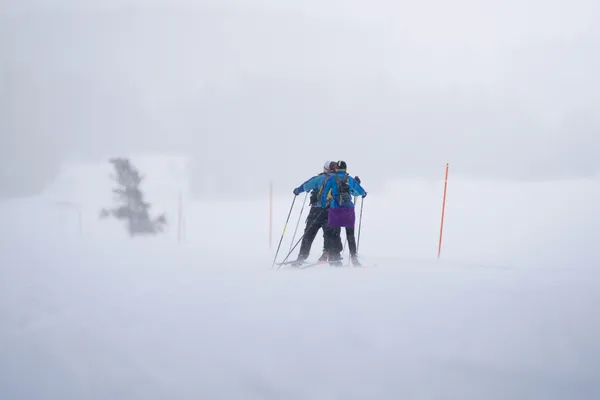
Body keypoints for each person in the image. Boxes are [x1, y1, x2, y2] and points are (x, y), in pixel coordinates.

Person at [290, 161, 339, 266]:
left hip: (316, 210)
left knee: (309, 233)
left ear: (326, 169)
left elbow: (305, 186)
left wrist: (296, 191)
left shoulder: (319, 178)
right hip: (332, 211)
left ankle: (301, 258)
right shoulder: (339, 180)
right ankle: (330, 257)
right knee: (330, 234)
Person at [320, 160, 367, 266]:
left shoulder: (332, 179)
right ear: (345, 169)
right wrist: (363, 194)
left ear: (336, 169)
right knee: (350, 235)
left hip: (335, 210)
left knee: (334, 235)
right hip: (348, 210)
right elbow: (361, 191)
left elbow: (324, 192)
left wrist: (323, 205)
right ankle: (354, 259)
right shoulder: (349, 179)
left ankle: (335, 258)